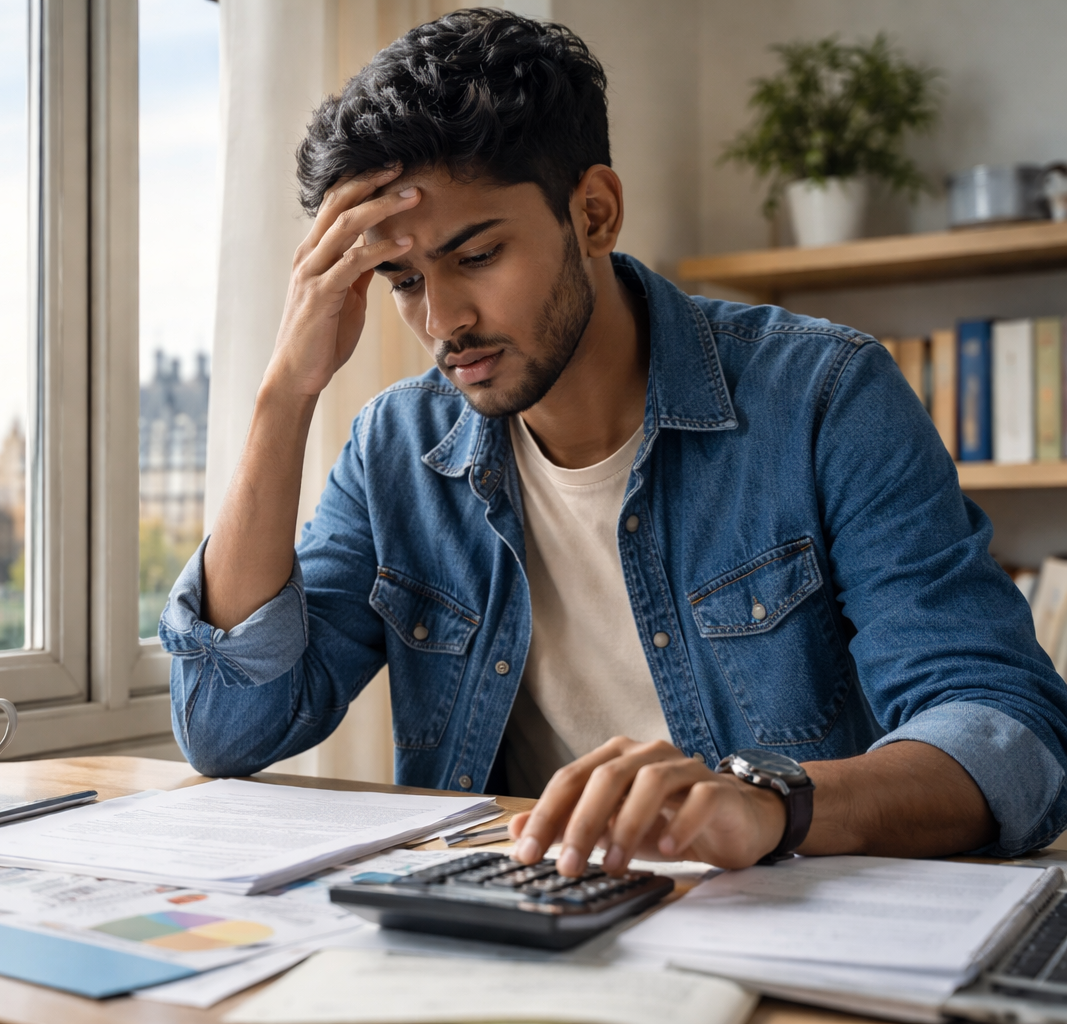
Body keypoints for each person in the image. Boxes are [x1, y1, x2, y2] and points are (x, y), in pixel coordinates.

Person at [159, 8, 1067, 876]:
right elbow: (232, 727)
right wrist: (287, 393)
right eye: (401, 279)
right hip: (524, 922)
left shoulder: (825, 398)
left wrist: (769, 802)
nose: (442, 321)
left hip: (789, 923)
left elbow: (1010, 737)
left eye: (476, 256)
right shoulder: (395, 447)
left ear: (593, 212)